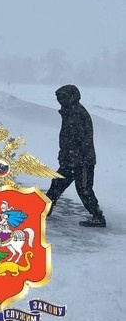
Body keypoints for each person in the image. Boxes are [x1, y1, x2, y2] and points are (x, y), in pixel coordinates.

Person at [45, 84, 106, 227]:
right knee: (57, 184)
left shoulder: (77, 114)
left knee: (84, 189)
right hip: (70, 160)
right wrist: (64, 156)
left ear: (71, 97)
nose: (60, 101)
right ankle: (44, 209)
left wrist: (73, 158)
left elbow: (78, 141)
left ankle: (98, 217)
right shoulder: (69, 112)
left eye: (62, 97)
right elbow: (67, 140)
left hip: (82, 162)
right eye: (59, 98)